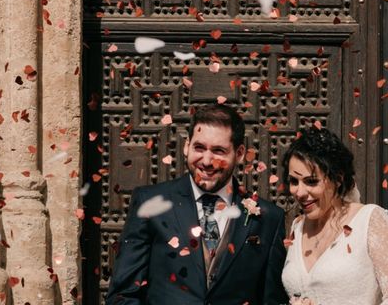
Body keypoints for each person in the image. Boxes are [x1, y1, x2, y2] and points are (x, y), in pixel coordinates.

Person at [106, 104, 288, 305]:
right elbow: (122, 296)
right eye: (199, 148)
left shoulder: (269, 218)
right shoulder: (149, 203)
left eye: (219, 151)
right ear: (186, 146)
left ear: (239, 153)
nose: (207, 161)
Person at [281, 127, 388, 305]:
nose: (300, 192)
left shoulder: (370, 220)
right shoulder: (297, 227)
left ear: (338, 179)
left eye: (311, 181)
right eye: (294, 181)